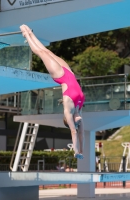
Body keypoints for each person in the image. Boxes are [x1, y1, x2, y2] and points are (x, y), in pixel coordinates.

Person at [20, 24, 85, 159]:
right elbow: (81, 133)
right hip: (69, 72)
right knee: (48, 52)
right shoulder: (79, 107)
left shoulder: (69, 110)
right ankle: (31, 34)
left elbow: (74, 131)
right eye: (79, 124)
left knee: (42, 53)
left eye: (76, 123)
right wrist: (83, 149)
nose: (79, 123)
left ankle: (26, 34)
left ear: (71, 120)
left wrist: (76, 152)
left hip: (60, 75)